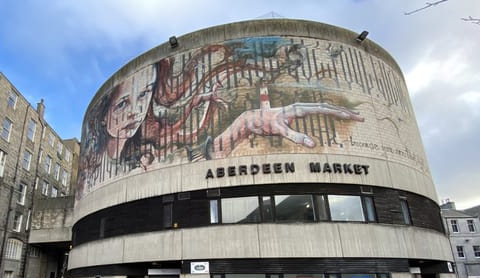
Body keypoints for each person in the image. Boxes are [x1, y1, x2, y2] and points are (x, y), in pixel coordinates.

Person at [79, 38, 365, 195]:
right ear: (102, 116)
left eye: (145, 95)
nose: (135, 112)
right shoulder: (95, 171)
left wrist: (236, 116)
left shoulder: (151, 143)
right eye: (121, 104)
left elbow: (203, 147)